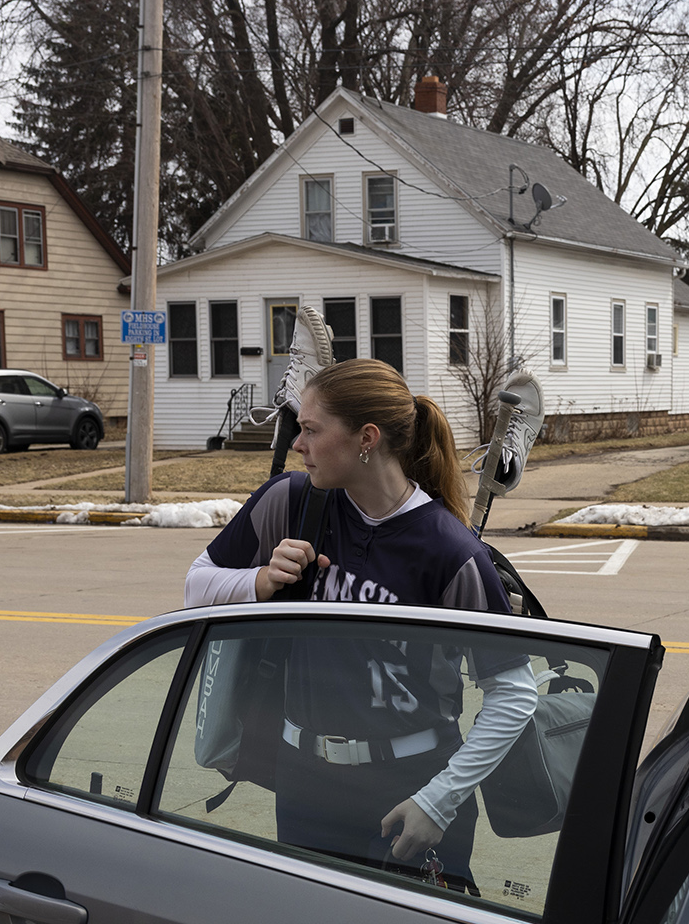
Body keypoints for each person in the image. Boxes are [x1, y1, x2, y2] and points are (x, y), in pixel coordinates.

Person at [184, 359, 538, 894]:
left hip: (409, 789)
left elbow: (513, 693)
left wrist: (439, 801)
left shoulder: (449, 549)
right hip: (303, 780)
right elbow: (196, 585)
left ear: (366, 439)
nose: (298, 445)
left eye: (310, 430)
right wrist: (260, 580)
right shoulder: (290, 501)